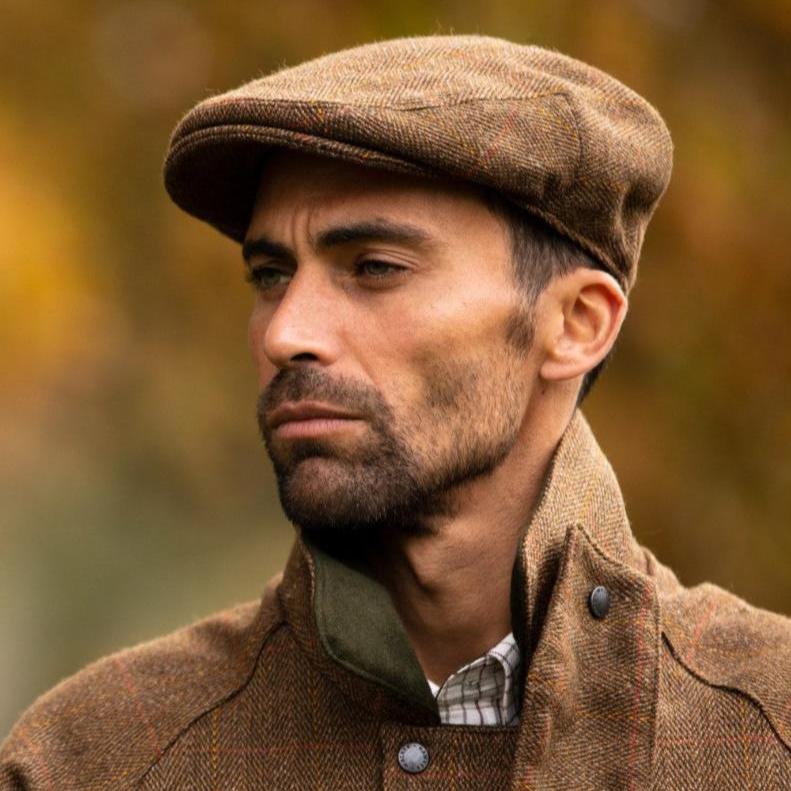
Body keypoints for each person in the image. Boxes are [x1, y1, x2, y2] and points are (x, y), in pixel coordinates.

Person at [2, 35, 789, 790]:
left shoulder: (770, 732)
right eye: (271, 275)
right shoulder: (92, 761)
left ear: (575, 323)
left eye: (374, 267)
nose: (285, 332)